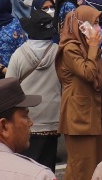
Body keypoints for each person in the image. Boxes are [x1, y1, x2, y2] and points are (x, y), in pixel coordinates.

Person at [57, 3, 102, 180]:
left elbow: (96, 74)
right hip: (77, 111)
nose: (97, 27)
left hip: (92, 109)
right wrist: (94, 47)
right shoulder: (70, 48)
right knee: (81, 164)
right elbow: (87, 72)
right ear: (81, 24)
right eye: (94, 22)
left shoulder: (85, 44)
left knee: (91, 161)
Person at [4, 11, 63, 170]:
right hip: (52, 115)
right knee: (47, 163)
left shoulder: (19, 54)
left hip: (26, 116)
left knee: (27, 164)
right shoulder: (59, 52)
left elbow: (9, 85)